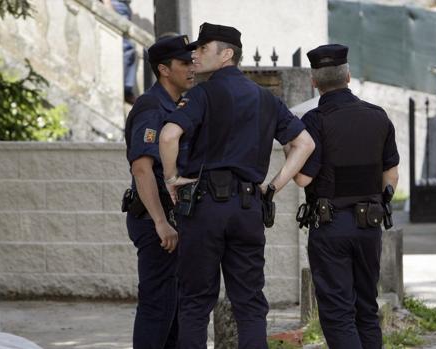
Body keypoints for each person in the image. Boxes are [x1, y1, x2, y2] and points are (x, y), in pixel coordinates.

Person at [158, 22, 315, 349]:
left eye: (202, 49)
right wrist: (273, 187)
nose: (195, 56)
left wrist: (171, 179)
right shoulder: (265, 99)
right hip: (247, 208)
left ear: (226, 54)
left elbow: (169, 135)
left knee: (196, 302)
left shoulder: (201, 94)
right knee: (249, 304)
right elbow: (304, 144)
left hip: (205, 209)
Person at [293, 44, 400, 349]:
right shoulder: (378, 116)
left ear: (314, 81)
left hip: (331, 228)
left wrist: (291, 149)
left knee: (338, 315)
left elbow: (303, 177)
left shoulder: (314, 121)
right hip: (370, 226)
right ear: (348, 76)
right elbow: (391, 172)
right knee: (366, 308)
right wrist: (380, 199)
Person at [122, 34, 196, 349]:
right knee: (158, 305)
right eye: (184, 62)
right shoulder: (151, 107)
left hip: (171, 217)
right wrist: (161, 222)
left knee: (175, 307)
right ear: (164, 70)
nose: (192, 67)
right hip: (157, 220)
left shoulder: (176, 104)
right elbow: (141, 167)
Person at [102, 0, 138, 104]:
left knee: (127, 47)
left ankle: (124, 88)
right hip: (115, 5)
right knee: (127, 47)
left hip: (123, 7)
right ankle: (123, 89)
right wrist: (107, 2)